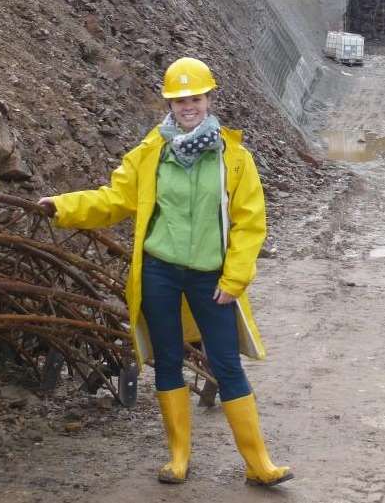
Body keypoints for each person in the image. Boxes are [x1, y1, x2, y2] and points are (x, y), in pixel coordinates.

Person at [38, 57, 292, 487]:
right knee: (169, 360)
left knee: (226, 364)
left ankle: (258, 463)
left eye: (195, 98)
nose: (187, 106)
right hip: (159, 272)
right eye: (179, 100)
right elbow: (113, 199)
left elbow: (251, 222)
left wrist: (234, 279)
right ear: (169, 103)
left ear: (209, 98)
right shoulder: (150, 152)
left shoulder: (233, 157)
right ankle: (178, 458)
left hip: (212, 278)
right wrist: (63, 207)